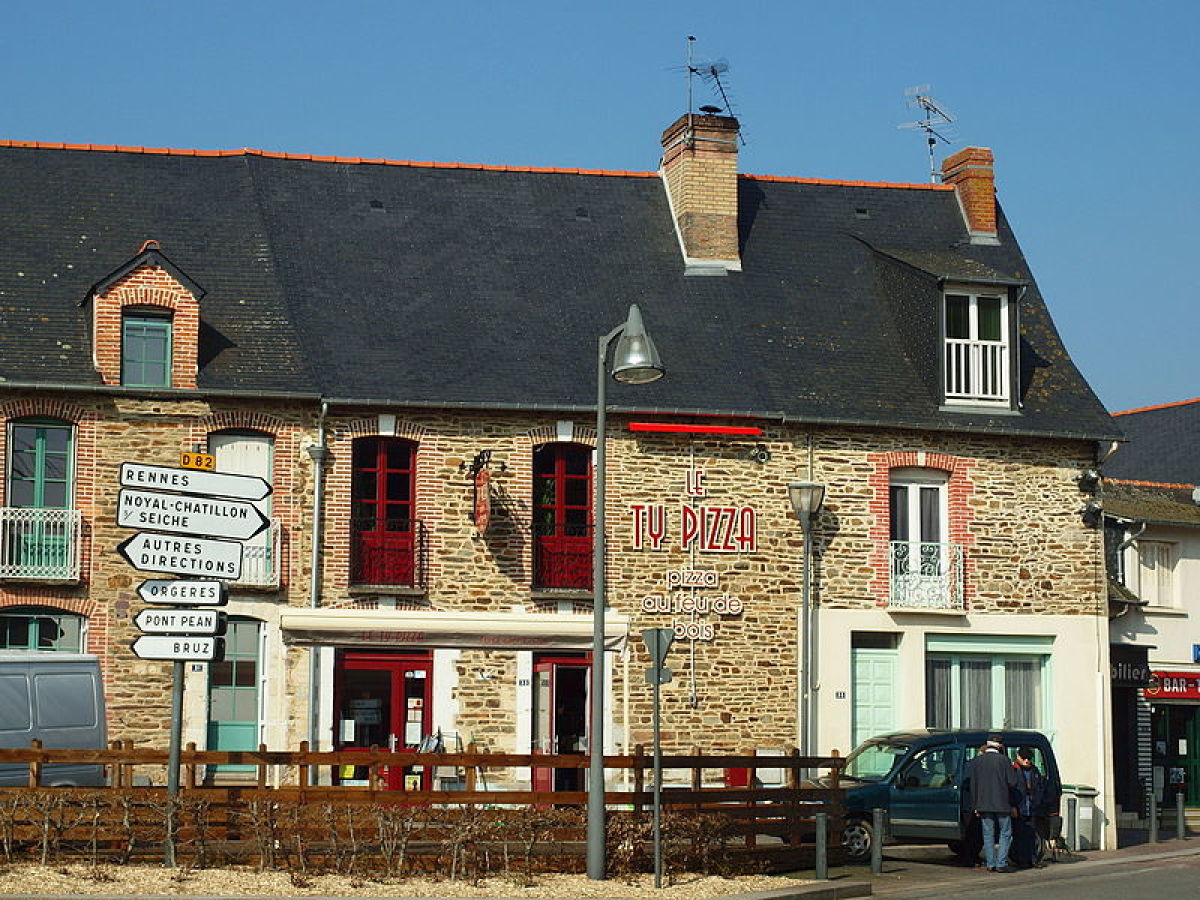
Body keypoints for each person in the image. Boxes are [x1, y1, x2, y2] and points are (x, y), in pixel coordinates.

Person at [966, 734, 1020, 873]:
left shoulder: (977, 761)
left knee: (988, 834)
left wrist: (975, 805)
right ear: (1000, 746)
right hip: (1002, 803)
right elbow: (1012, 782)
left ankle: (990, 863)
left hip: (983, 803)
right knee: (1005, 833)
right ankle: (1001, 863)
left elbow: (973, 785)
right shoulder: (1004, 760)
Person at [1011, 746, 1048, 868]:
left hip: (1031, 808)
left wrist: (1036, 801)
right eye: (1024, 758)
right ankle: (1021, 861)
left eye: (1029, 758)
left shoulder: (1034, 771)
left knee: (1031, 835)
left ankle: (1033, 860)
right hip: (1019, 808)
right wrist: (1013, 806)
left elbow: (1040, 788)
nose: (1027, 761)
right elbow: (1011, 790)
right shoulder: (1014, 770)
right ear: (1018, 757)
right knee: (1019, 836)